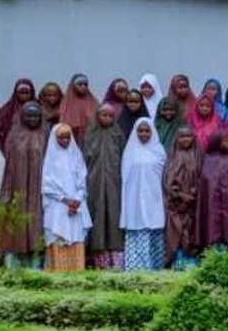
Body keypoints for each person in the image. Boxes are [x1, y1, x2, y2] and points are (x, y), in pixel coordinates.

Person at [0, 102, 46, 267]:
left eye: (36, 116)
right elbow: (9, 164)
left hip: (38, 186)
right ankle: (15, 263)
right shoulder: (14, 135)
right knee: (17, 220)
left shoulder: (45, 135)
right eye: (29, 115)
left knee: (36, 221)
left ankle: (36, 262)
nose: (32, 119)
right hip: (17, 185)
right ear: (22, 116)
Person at [40, 123, 92, 272]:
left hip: (76, 205)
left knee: (76, 238)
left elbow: (82, 178)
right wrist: (65, 200)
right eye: (61, 138)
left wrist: (77, 200)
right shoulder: (50, 158)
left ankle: (76, 274)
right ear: (55, 139)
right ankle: (58, 275)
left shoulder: (76, 154)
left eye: (67, 137)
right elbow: (47, 186)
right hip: (57, 206)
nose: (65, 141)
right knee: (58, 237)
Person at [83, 104, 126, 269]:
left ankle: (116, 262)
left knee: (114, 217)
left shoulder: (118, 134)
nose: (107, 118)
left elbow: (123, 157)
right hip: (93, 183)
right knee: (97, 217)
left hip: (115, 183)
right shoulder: (90, 134)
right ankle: (98, 261)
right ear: (97, 116)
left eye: (110, 115)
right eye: (103, 115)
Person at [121, 118, 167, 271]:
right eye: (140, 131)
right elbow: (125, 179)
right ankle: (136, 270)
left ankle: (155, 270)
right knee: (137, 228)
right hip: (133, 199)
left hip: (154, 198)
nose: (144, 134)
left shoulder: (159, 151)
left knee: (153, 228)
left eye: (147, 130)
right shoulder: (129, 152)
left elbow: (164, 176)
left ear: (152, 132)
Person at [163, 126, 203, 270]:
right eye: (182, 137)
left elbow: (201, 178)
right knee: (175, 234)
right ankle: (175, 265)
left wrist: (193, 195)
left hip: (193, 204)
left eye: (188, 136)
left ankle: (191, 267)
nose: (185, 140)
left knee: (191, 235)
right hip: (176, 205)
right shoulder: (173, 157)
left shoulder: (198, 156)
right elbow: (167, 181)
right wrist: (179, 196)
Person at [196, 131, 228, 252]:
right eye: (226, 141)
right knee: (211, 227)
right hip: (211, 203)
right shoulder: (206, 160)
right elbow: (204, 183)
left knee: (227, 229)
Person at [58, 74, 99, 147]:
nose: (83, 87)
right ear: (73, 86)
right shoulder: (66, 104)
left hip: (90, 141)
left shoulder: (93, 102)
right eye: (80, 84)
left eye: (85, 84)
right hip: (71, 140)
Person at [0, 79, 36, 147]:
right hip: (11, 146)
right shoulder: (7, 109)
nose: (24, 95)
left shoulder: (38, 108)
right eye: (21, 92)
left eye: (26, 92)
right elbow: (0, 130)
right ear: (16, 93)